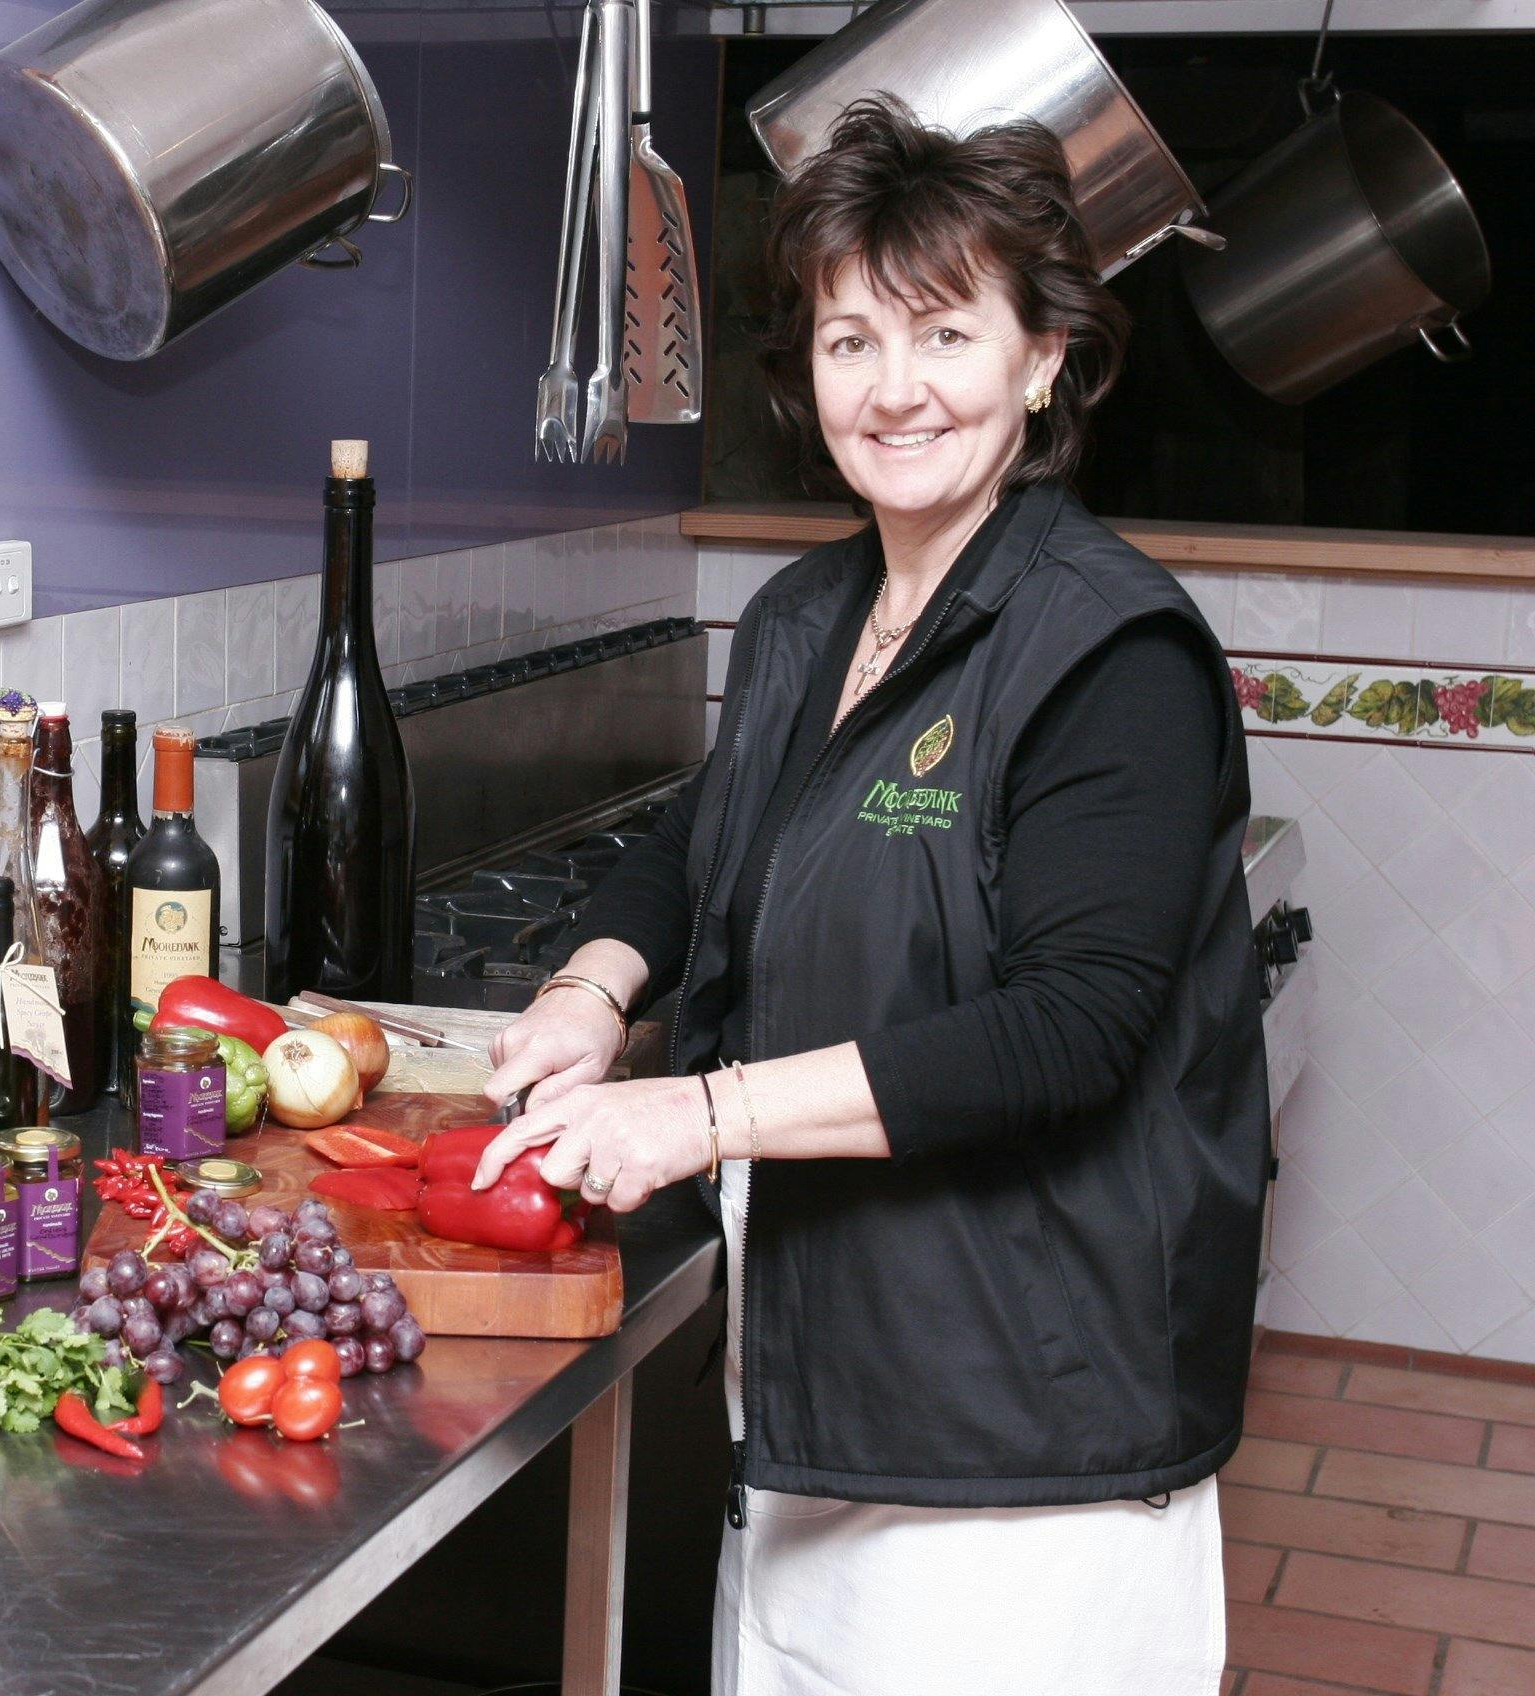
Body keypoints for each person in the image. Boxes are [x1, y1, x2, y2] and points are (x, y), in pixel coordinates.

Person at [475, 99, 1266, 1694]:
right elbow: (710, 838)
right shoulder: (804, 617)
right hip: (818, 1404)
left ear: (1045, 357)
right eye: (851, 340)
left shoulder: (1112, 652)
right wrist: (590, 990)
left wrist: (696, 1115)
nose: (893, 390)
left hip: (1023, 1447)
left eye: (942, 334)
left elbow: (1066, 1034)